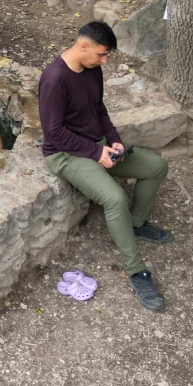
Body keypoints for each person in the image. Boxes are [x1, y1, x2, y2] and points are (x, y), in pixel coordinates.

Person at [38, 20, 171, 312]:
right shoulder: (54, 78)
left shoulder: (92, 69)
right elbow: (53, 133)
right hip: (64, 154)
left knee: (156, 166)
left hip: (96, 144)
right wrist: (95, 151)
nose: (105, 60)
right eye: (101, 54)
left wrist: (114, 141)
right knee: (114, 198)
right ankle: (136, 270)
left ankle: (135, 224)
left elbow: (99, 109)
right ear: (83, 46)